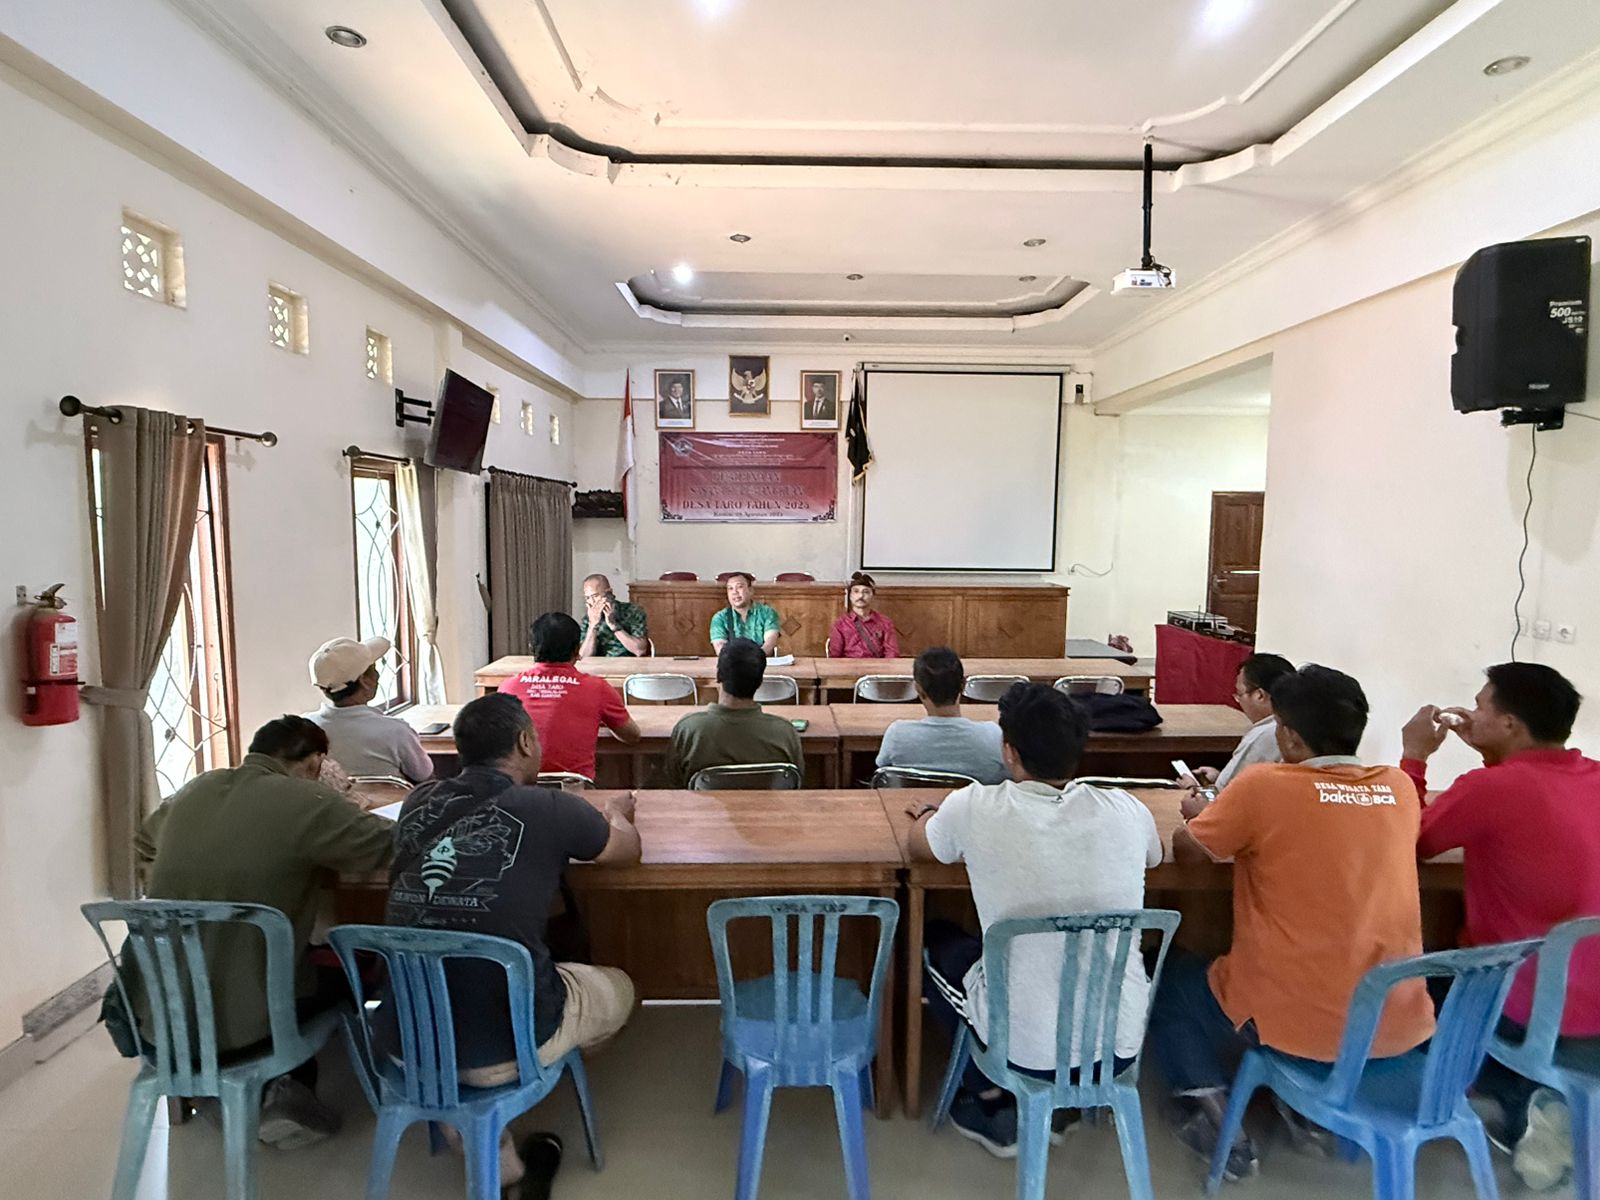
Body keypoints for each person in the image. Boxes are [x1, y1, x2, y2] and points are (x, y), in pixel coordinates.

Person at [1154, 665, 1435, 1179]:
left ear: (1288, 734)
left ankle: (1214, 1117)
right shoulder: (1397, 788)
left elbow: (1190, 850)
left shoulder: (1265, 786)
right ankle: (1305, 1110)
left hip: (1300, 1024)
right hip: (1395, 1021)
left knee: (1173, 980)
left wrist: (1197, 815)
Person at [385, 695, 640, 1189]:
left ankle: (482, 1140)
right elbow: (625, 852)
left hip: (405, 1040)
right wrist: (617, 812)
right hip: (504, 1047)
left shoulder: (417, 802)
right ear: (525, 742)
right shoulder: (550, 806)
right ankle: (532, 1075)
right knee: (625, 987)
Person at [902, 683, 1163, 1156]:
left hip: (1025, 1048)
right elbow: (1155, 856)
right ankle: (1065, 1103)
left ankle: (987, 1094)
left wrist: (928, 816)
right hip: (1120, 1042)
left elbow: (920, 846)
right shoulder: (1128, 809)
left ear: (1009, 751)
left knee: (934, 940)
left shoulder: (973, 806)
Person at [135, 715, 394, 1147]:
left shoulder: (197, 788)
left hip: (160, 1009)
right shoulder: (306, 799)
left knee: (254, 956)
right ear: (314, 763)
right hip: (252, 1019)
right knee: (354, 972)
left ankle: (218, 1090)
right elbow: (387, 845)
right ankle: (283, 1092)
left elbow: (144, 842)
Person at [1402, 662, 1600, 1191]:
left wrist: (1415, 757)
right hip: (1593, 1006)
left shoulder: (1489, 788)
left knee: (1403, 991)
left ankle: (1522, 1100)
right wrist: (1492, 755)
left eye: (1481, 705)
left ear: (1510, 723)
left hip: (1529, 1009)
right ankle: (1551, 1102)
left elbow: (1409, 841)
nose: (1473, 712)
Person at [498, 612, 640, 782]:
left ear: (531, 647)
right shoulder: (597, 688)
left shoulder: (508, 687)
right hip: (575, 787)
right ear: (577, 650)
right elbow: (631, 735)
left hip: (521, 788)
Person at [666, 638, 803, 786]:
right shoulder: (785, 732)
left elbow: (674, 783)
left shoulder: (688, 729)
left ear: (718, 675)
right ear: (760, 682)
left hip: (705, 802)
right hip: (769, 801)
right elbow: (797, 780)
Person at [304, 635, 432, 782]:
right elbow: (425, 777)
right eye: (374, 669)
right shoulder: (396, 731)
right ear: (365, 680)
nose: (377, 675)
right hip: (390, 798)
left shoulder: (304, 728)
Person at [876, 647, 1007, 785]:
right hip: (974, 799)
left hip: (914, 799)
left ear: (918, 689)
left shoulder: (897, 735)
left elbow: (882, 770)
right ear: (963, 685)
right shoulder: (993, 735)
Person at [1183, 653, 1294, 797]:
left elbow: (1222, 797)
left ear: (1259, 695)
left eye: (1239, 694)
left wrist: (1193, 786)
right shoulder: (1300, 725)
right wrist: (1220, 777)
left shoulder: (1262, 734)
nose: (1239, 702)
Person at [827, 571, 900, 659]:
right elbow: (835, 656)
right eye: (856, 591)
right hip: (849, 666)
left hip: (877, 666)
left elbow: (892, 653)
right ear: (850, 596)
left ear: (873, 595)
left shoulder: (885, 623)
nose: (860, 596)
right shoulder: (840, 624)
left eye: (866, 592)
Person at [577, 573, 650, 658]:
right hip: (599, 665)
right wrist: (592, 626)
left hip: (628, 663)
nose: (592, 602)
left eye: (595, 596)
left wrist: (613, 625)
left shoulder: (633, 611)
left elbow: (640, 650)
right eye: (588, 598)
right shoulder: (588, 619)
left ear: (609, 593)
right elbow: (584, 656)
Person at [709, 572, 781, 655]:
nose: (735, 592)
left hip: (761, 660)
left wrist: (755, 659)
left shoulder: (767, 613)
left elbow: (769, 643)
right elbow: (720, 648)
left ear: (750, 590)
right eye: (730, 588)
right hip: (732, 661)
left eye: (739, 587)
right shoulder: (720, 618)